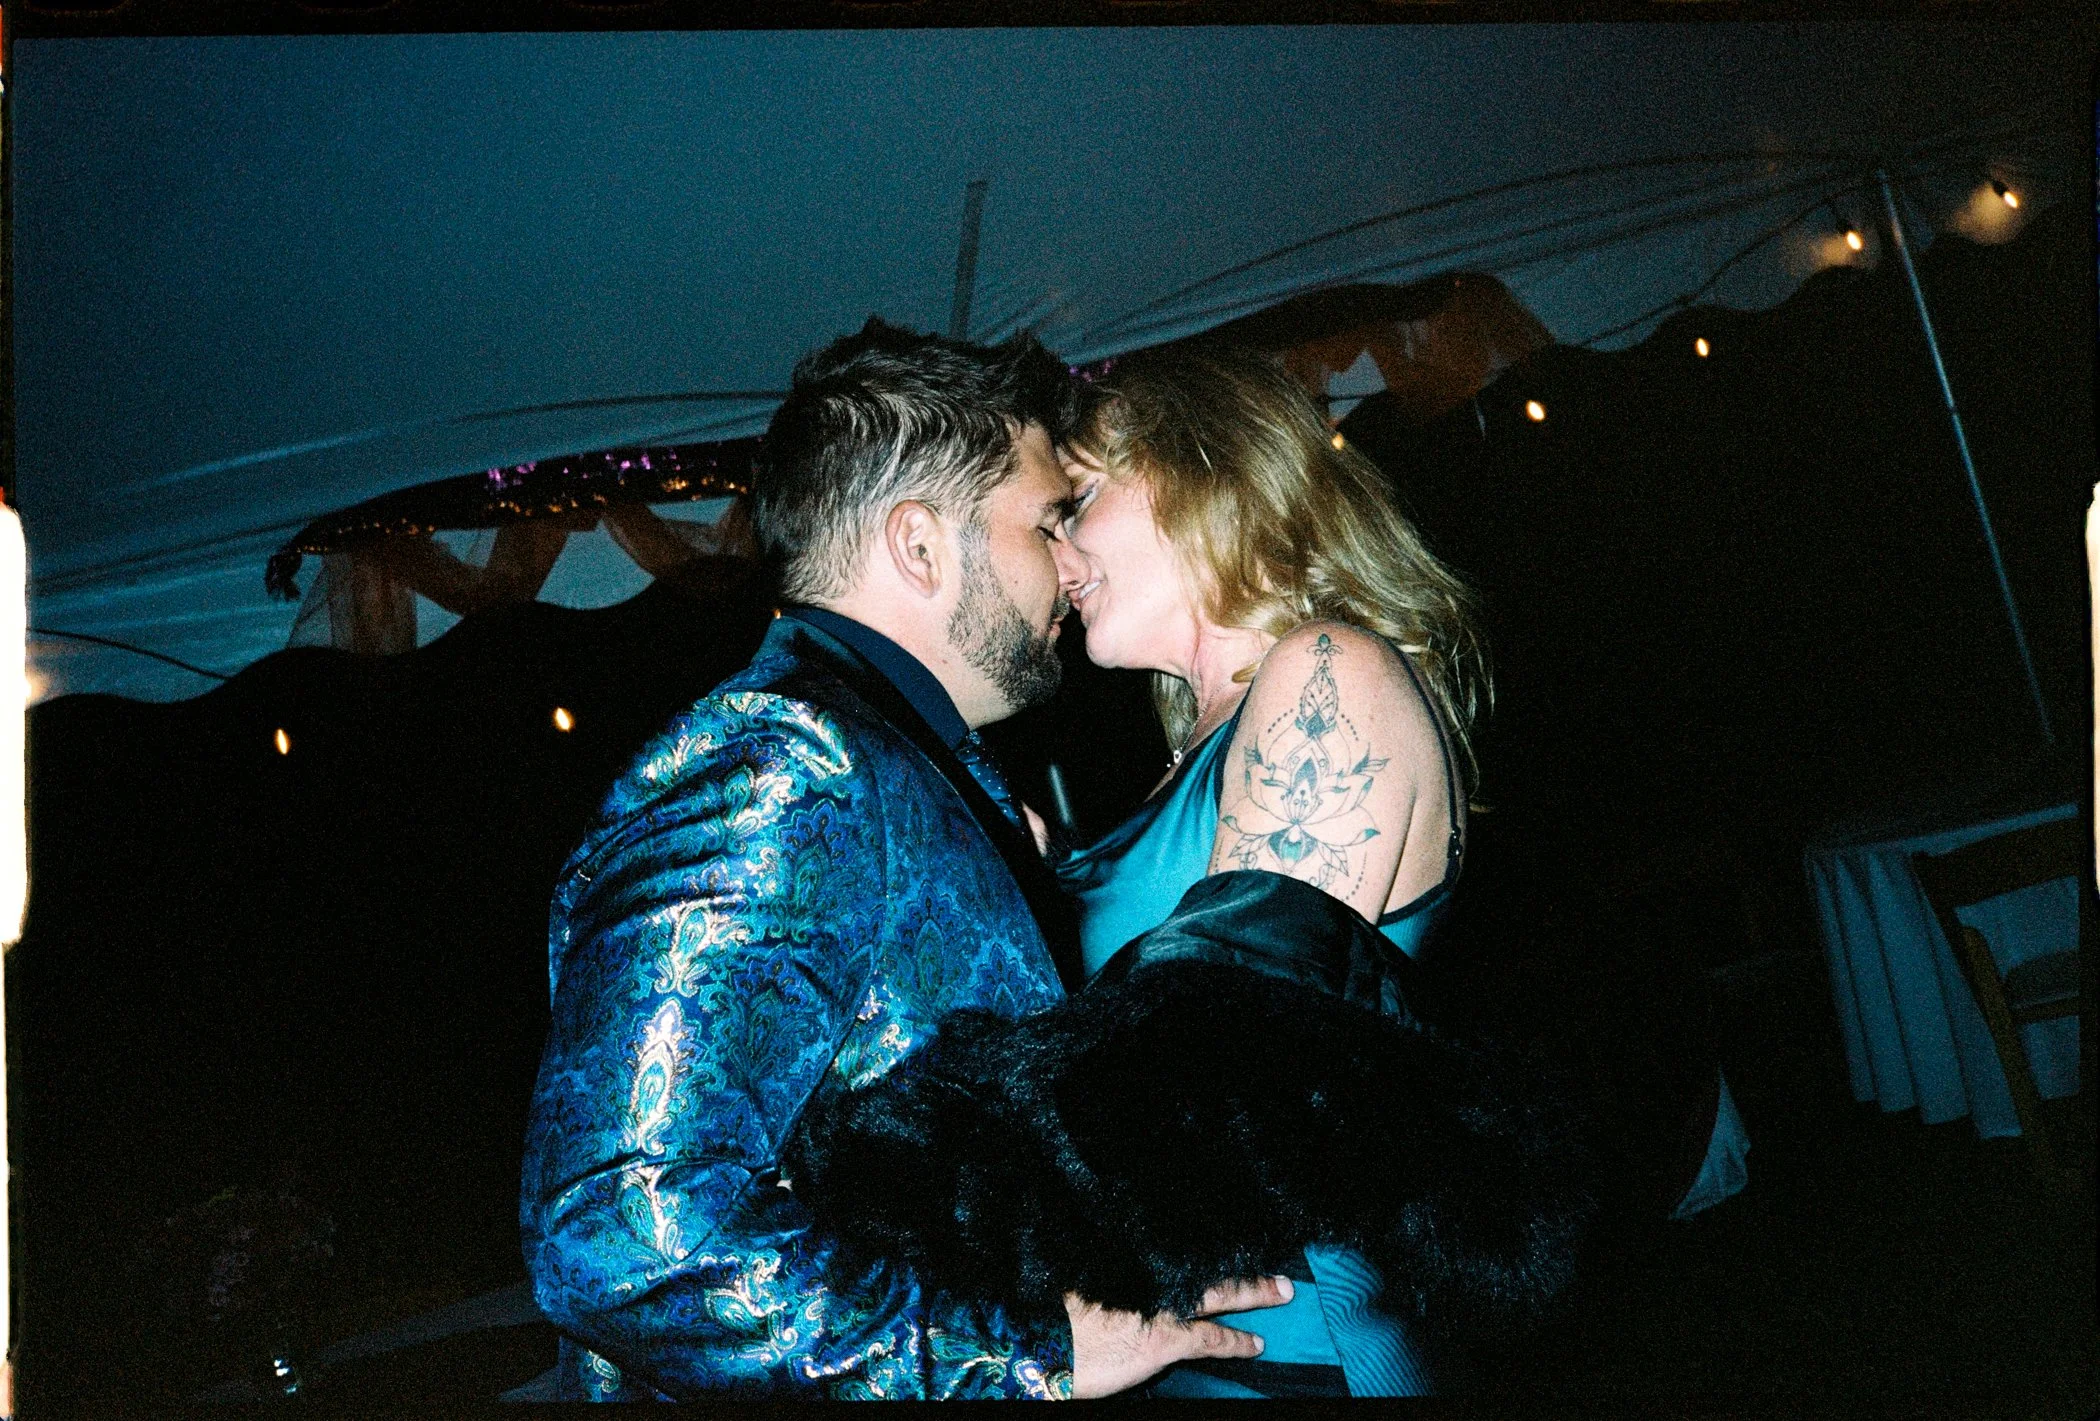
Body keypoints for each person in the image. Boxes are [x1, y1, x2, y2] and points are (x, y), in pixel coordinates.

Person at [518, 319, 1288, 1400]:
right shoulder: (785, 762)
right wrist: (1017, 1350)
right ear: (921, 546)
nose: (1073, 564)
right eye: (1046, 522)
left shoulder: (893, 759)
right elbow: (617, 1231)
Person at [1048, 344, 1493, 1397]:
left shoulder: (1326, 670)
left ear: (1205, 472)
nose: (1057, 550)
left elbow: (1232, 1064)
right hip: (1206, 1336)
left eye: (1080, 499)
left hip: (1301, 1350)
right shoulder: (1201, 745)